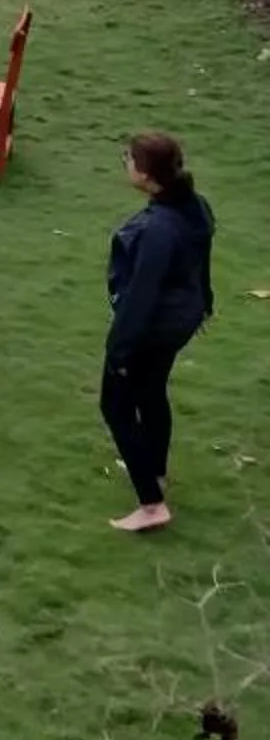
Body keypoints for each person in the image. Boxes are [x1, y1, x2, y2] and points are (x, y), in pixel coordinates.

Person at [102, 131, 215, 536]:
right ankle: (156, 471)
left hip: (154, 327)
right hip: (180, 319)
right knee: (151, 392)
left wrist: (118, 352)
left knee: (115, 405)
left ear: (147, 175)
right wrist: (205, 303)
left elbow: (141, 297)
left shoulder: (158, 231)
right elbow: (201, 261)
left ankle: (151, 504)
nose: (125, 163)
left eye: (129, 159)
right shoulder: (195, 206)